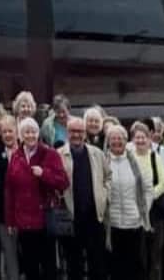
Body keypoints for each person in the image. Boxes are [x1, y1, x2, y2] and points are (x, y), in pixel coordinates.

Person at [5, 116, 68, 280]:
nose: (30, 135)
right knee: (30, 266)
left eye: (33, 132)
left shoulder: (50, 153)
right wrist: (10, 221)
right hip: (24, 221)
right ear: (21, 135)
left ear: (38, 133)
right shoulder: (16, 156)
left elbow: (63, 182)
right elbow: (10, 190)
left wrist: (44, 173)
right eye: (26, 132)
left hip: (44, 220)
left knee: (48, 266)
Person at [57, 116, 110, 280]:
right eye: (73, 131)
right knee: (74, 264)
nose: (76, 135)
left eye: (80, 131)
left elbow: (108, 177)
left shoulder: (97, 154)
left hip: (94, 217)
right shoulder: (58, 155)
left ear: (85, 133)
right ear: (67, 132)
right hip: (71, 217)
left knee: (97, 263)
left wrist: (104, 195)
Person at [104, 123, 149, 280]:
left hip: (134, 223)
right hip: (112, 224)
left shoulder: (135, 161)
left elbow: (147, 188)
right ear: (108, 141)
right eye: (113, 138)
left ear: (126, 140)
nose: (117, 142)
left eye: (120, 138)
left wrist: (143, 212)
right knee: (116, 268)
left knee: (135, 267)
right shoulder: (103, 162)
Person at [131, 120, 164, 280]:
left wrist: (148, 197)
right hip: (135, 213)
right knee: (139, 255)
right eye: (137, 137)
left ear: (149, 139)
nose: (140, 140)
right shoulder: (130, 158)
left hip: (155, 213)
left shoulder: (155, 157)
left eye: (143, 137)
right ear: (133, 139)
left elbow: (163, 184)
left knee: (155, 255)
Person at [0, 116, 21, 280]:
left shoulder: (25, 149)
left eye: (10, 131)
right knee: (10, 253)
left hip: (26, 212)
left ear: (17, 131)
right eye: (4, 132)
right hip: (3, 212)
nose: (8, 135)